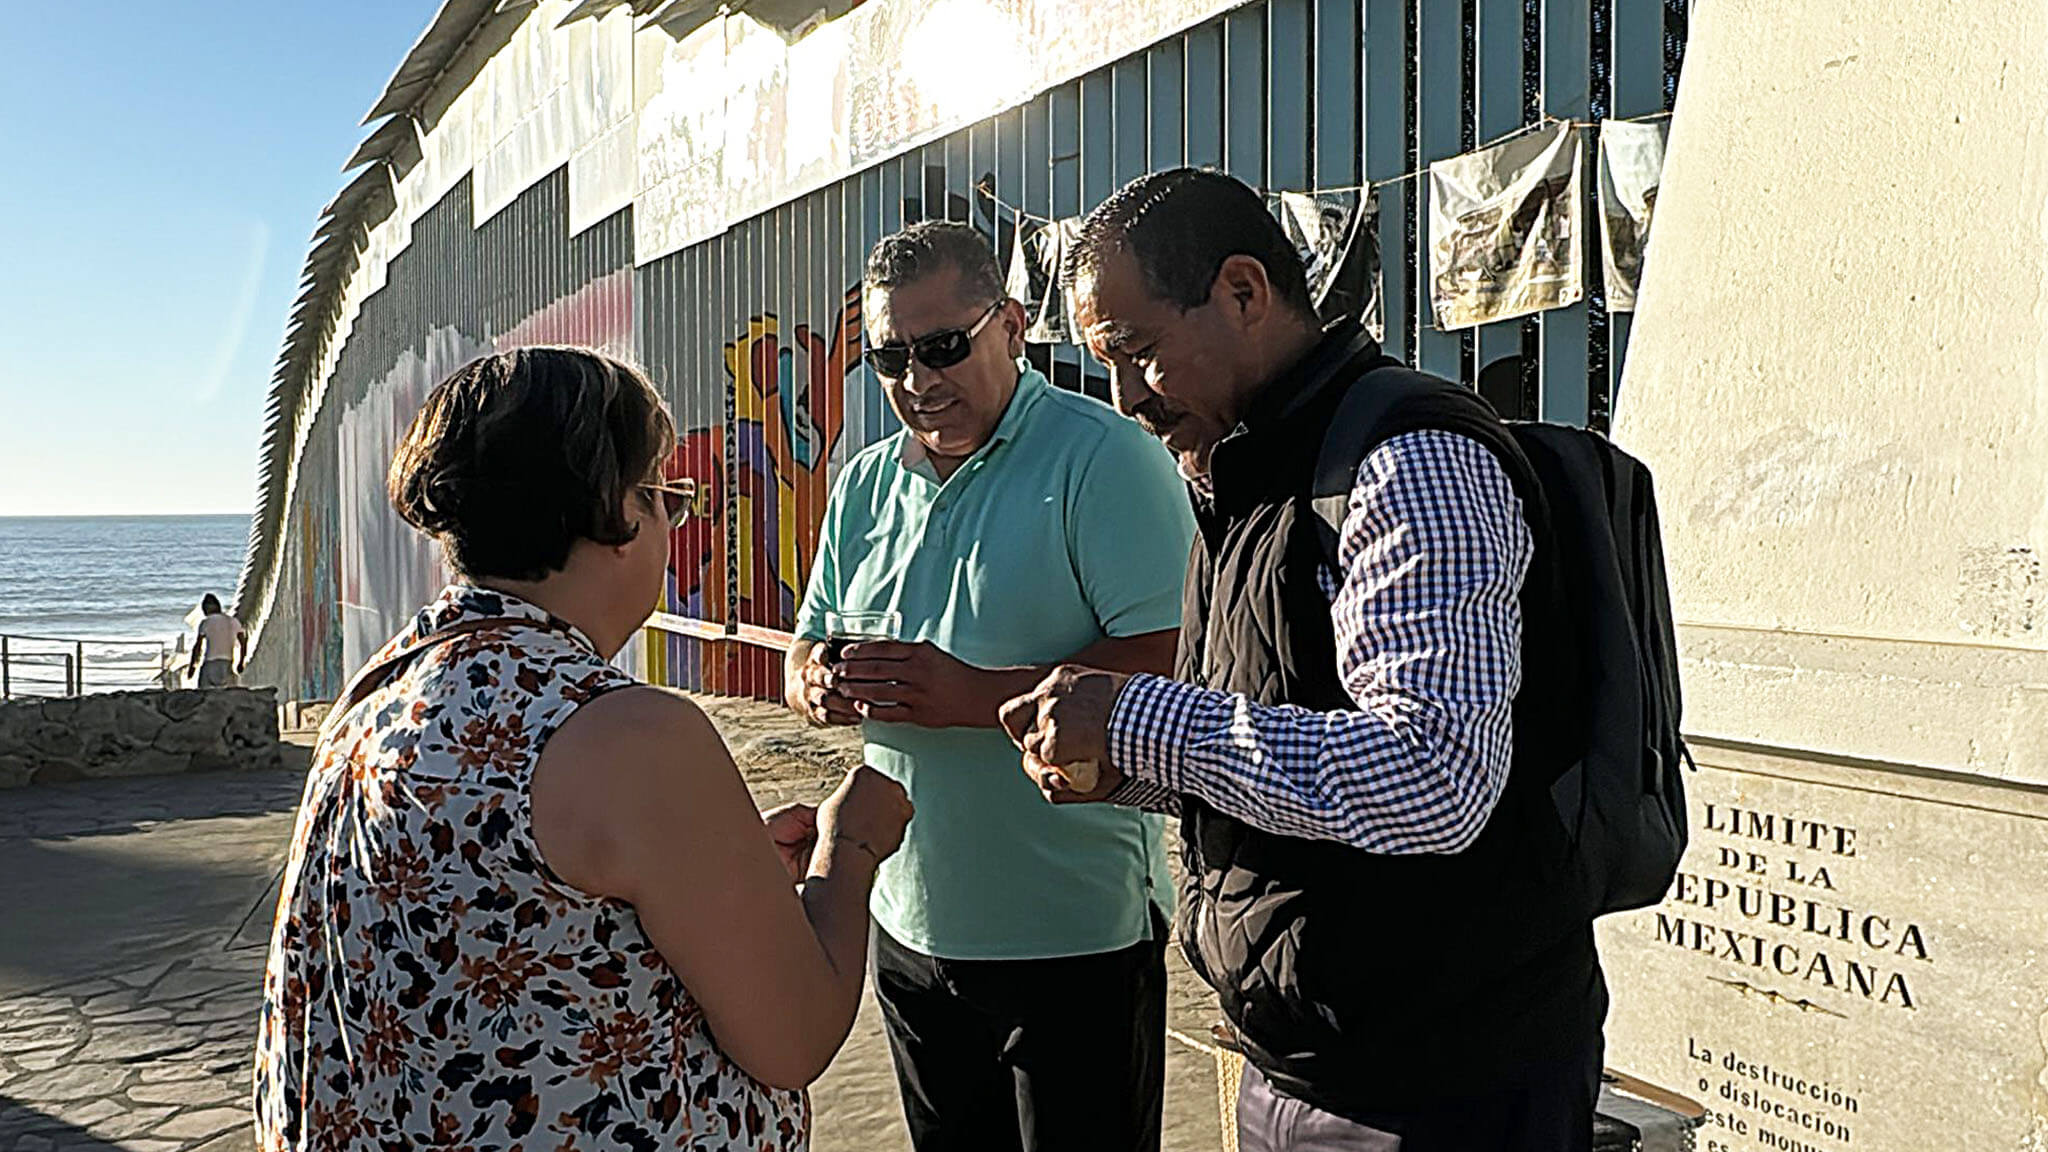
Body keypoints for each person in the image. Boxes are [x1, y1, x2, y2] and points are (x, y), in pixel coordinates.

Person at [999, 169, 1607, 1152]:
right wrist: (1137, 767)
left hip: (1440, 1086)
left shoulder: (1408, 461)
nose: (1124, 400)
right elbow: (1284, 733)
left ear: (1242, 292)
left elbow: (1431, 778)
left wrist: (1138, 721)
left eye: (1139, 353)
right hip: (1300, 1061)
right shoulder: (1242, 472)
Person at [255, 346, 913, 1152]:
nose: (674, 520)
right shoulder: (631, 738)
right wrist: (848, 852)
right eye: (665, 494)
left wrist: (726, 874)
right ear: (615, 509)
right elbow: (796, 1037)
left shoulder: (377, 696)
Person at [782, 221, 1195, 1152]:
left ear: (1010, 324)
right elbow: (805, 642)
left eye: (942, 348)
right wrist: (816, 681)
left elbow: (1177, 662)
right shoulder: (862, 486)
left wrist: (970, 696)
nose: (917, 380)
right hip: (909, 919)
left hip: (1071, 935)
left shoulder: (1105, 458)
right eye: (890, 356)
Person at [187, 594, 245, 687]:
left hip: (210, 663)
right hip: (228, 663)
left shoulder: (206, 622)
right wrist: (241, 662)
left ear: (206, 609)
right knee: (227, 695)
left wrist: (192, 666)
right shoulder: (233, 621)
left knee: (204, 694)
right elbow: (243, 642)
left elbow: (198, 646)